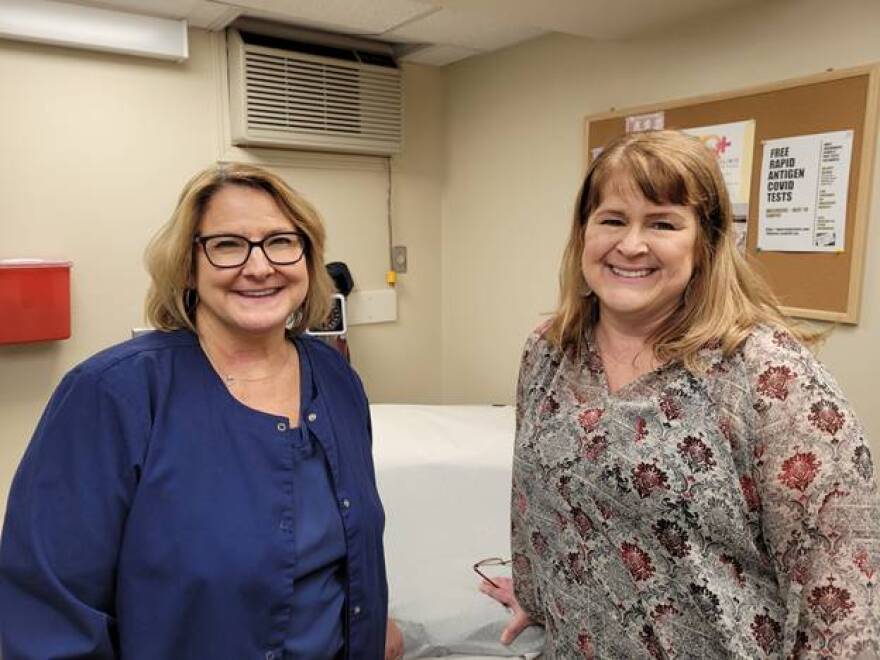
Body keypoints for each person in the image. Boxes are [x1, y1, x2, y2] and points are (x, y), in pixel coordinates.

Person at [481, 130, 880, 658]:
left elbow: (841, 599)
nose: (631, 245)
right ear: (583, 233)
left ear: (706, 244)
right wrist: (538, 595)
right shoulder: (551, 352)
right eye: (612, 220)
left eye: (663, 224)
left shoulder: (767, 372)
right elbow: (531, 500)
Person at [0, 162, 400, 659]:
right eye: (227, 245)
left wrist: (374, 622)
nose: (260, 267)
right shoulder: (113, 396)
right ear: (188, 267)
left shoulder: (335, 379)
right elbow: (47, 620)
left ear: (308, 256)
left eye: (281, 241)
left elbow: (348, 557)